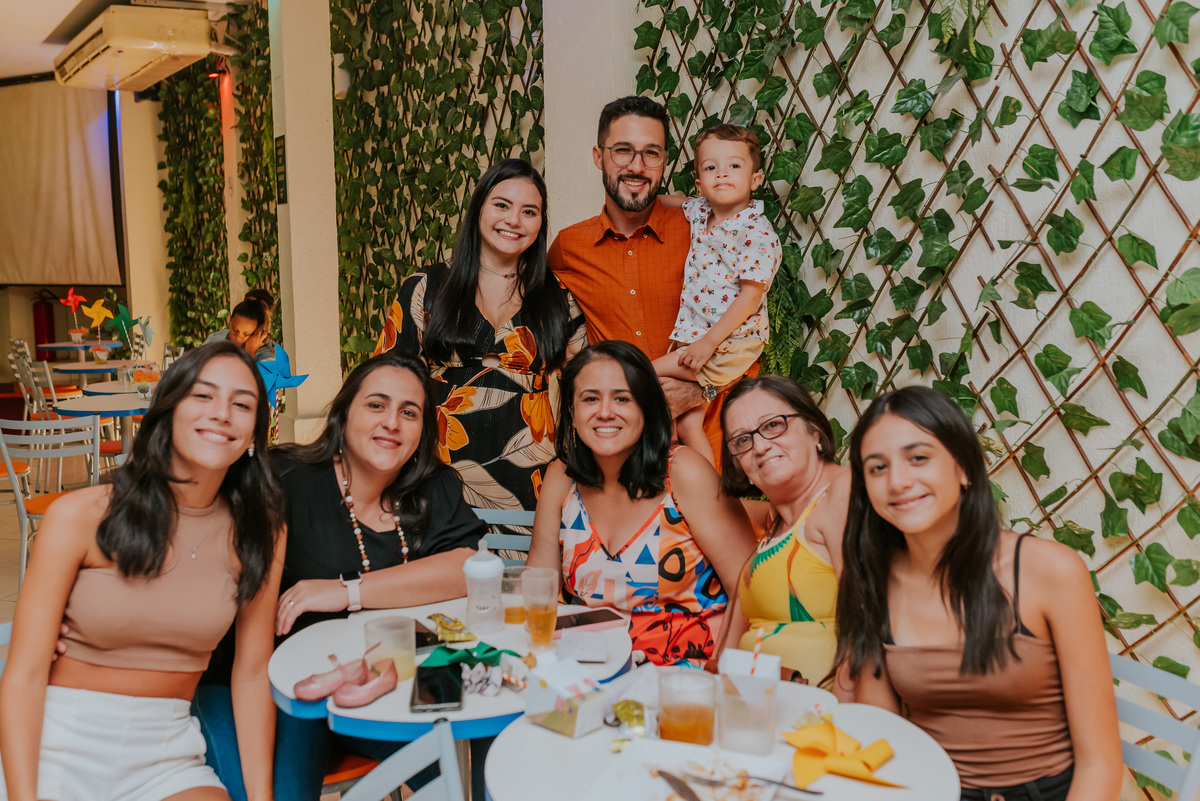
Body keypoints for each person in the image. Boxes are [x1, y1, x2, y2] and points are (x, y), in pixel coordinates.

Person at [193, 350, 488, 801]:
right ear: (343, 413)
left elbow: (466, 565)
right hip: (266, 685)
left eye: (409, 412)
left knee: (474, 771)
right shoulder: (286, 477)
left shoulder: (433, 487)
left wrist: (346, 591)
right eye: (376, 405)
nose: (391, 422)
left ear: (423, 430)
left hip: (375, 684)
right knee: (276, 794)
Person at [0, 341, 286, 801]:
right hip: (59, 740)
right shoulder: (80, 516)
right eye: (203, 396)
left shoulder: (262, 528)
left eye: (242, 404)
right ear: (168, 411)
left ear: (255, 431)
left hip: (167, 753)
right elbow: (24, 675)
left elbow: (251, 674)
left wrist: (261, 799)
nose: (222, 413)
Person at [837, 386, 1121, 801]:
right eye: (877, 468)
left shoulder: (1049, 571)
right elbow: (884, 743)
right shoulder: (873, 579)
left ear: (963, 468)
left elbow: (1100, 764)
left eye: (918, 458)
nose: (898, 481)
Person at [375, 159, 586, 527]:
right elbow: (382, 384)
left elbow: (583, 393)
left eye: (529, 211)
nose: (513, 220)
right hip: (435, 476)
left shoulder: (559, 299)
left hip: (535, 483)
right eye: (501, 204)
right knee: (442, 580)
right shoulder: (425, 288)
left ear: (540, 222)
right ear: (478, 209)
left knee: (529, 583)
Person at [527, 341, 756, 666]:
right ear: (571, 410)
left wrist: (716, 680)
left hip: (689, 677)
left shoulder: (683, 473)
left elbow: (748, 588)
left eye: (623, 398)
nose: (605, 411)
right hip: (592, 671)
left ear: (646, 409)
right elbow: (538, 590)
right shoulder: (560, 479)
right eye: (590, 398)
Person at [548, 96, 741, 461]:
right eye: (622, 151)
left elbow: (748, 329)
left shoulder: (703, 234)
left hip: (710, 448)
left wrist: (703, 390)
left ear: (664, 162)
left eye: (651, 153)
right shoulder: (568, 248)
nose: (636, 166)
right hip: (620, 454)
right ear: (598, 156)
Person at [709, 375, 851, 696]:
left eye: (773, 425)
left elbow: (869, 629)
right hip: (756, 712)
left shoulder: (841, 494)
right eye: (742, 440)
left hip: (820, 716)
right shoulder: (778, 517)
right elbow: (709, 501)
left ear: (814, 429)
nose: (759, 446)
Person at [651, 124, 781, 464]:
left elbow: (750, 297)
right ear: (700, 183)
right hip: (703, 337)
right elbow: (668, 202)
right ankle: (709, 495)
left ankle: (659, 453)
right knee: (690, 422)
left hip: (728, 341)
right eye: (711, 167)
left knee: (643, 373)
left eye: (734, 166)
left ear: (755, 179)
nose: (722, 174)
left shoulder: (755, 231)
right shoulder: (701, 212)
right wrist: (643, 196)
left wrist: (708, 342)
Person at [206, 289, 276, 362]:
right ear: (230, 320)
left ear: (258, 331)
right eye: (235, 329)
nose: (238, 337)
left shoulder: (266, 357)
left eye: (246, 334)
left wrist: (250, 351)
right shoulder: (215, 340)